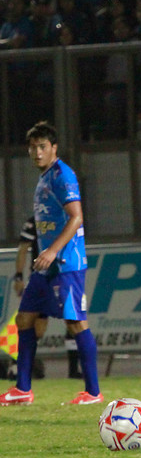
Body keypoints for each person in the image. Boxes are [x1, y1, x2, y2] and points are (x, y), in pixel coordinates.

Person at [0, 121, 102, 406]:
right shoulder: (45, 176)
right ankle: (22, 389)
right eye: (32, 147)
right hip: (47, 267)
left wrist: (53, 251)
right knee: (25, 319)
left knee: (76, 323)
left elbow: (76, 217)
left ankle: (93, 392)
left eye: (42, 146)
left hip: (67, 263)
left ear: (54, 148)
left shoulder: (62, 175)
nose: (36, 152)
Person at [13, 216, 83, 380]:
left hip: (65, 276)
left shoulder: (69, 218)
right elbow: (23, 249)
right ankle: (18, 367)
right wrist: (18, 276)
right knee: (34, 327)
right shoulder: (33, 222)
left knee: (73, 321)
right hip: (41, 278)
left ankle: (75, 371)